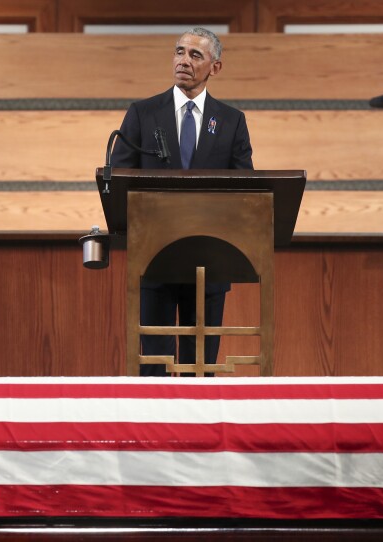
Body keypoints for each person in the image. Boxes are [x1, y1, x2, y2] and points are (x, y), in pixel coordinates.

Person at [110, 27, 253, 376]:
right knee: (155, 364)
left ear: (214, 68)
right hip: (155, 255)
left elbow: (245, 189)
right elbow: (119, 180)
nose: (183, 61)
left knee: (199, 367)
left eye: (195, 55)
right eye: (179, 52)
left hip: (210, 258)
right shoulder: (143, 114)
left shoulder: (232, 121)